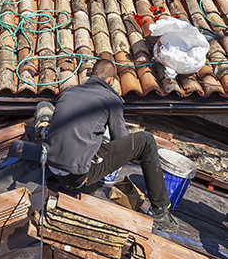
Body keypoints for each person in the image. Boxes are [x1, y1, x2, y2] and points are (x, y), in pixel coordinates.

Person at [42, 58, 178, 232]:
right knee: (146, 141)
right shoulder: (111, 99)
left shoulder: (69, 92)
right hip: (76, 176)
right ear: (110, 81)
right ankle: (160, 213)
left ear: (91, 75)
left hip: (50, 166)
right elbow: (120, 140)